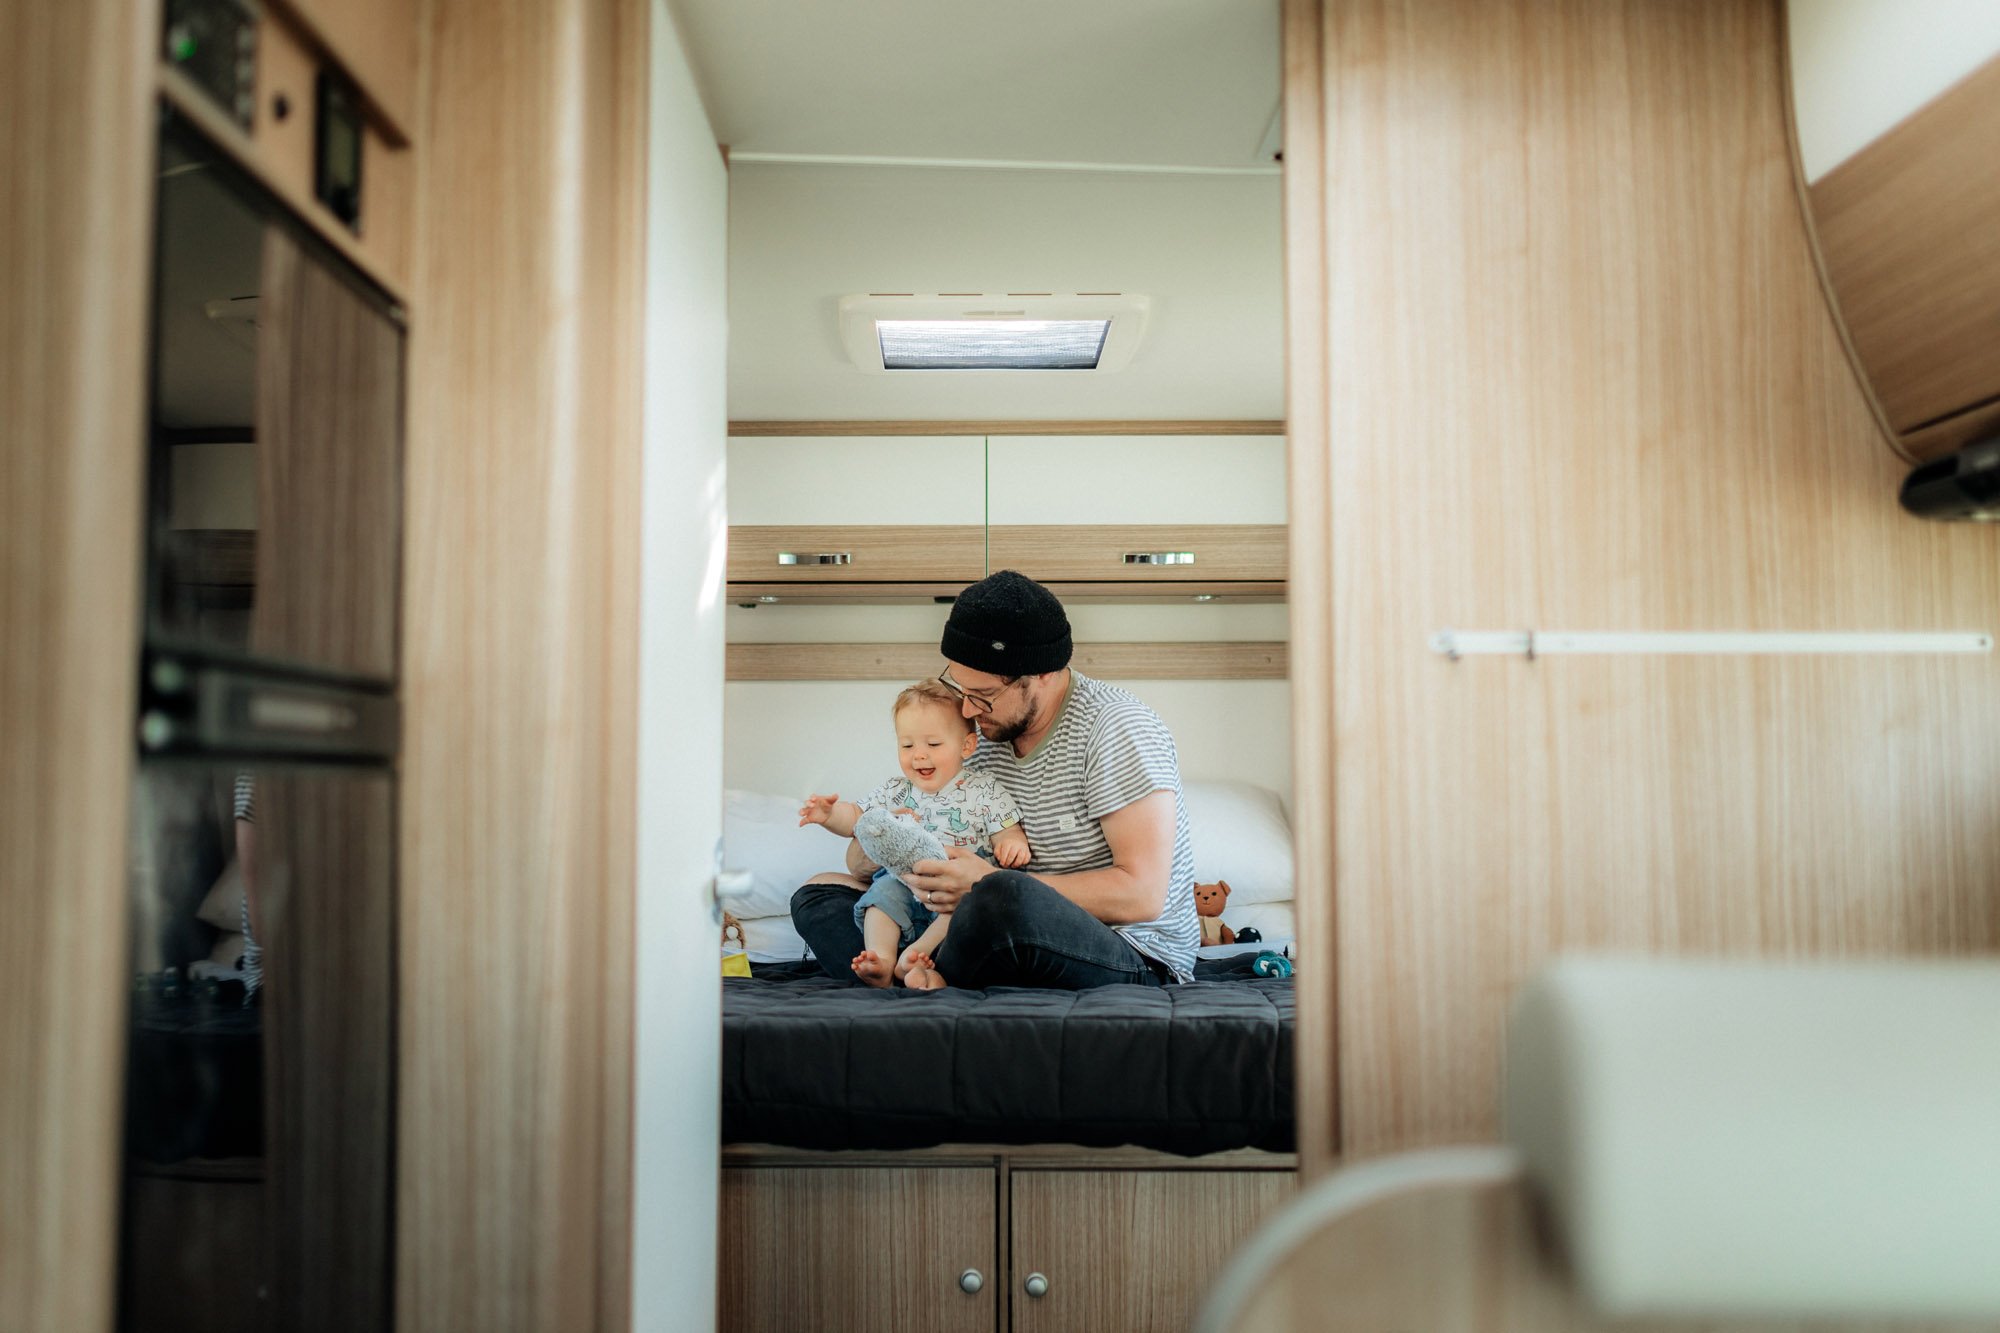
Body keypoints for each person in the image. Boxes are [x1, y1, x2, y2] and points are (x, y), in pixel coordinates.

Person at [790, 570, 1200, 988]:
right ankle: (911, 971)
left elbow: (1142, 896)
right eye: (958, 687)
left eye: (983, 696)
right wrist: (882, 842)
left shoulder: (1115, 727)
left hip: (1125, 951)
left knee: (1004, 896)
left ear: (1041, 673)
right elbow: (869, 864)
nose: (967, 710)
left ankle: (918, 973)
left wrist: (981, 884)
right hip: (969, 919)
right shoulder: (982, 733)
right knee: (819, 893)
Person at [797, 679, 1030, 989]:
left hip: (956, 889)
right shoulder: (895, 791)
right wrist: (829, 816)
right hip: (904, 881)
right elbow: (857, 818)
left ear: (967, 746)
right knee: (879, 900)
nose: (919, 755)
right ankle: (880, 958)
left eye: (933, 745)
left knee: (965, 913)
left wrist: (1011, 844)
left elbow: (1007, 828)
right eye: (907, 745)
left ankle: (918, 955)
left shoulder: (984, 789)